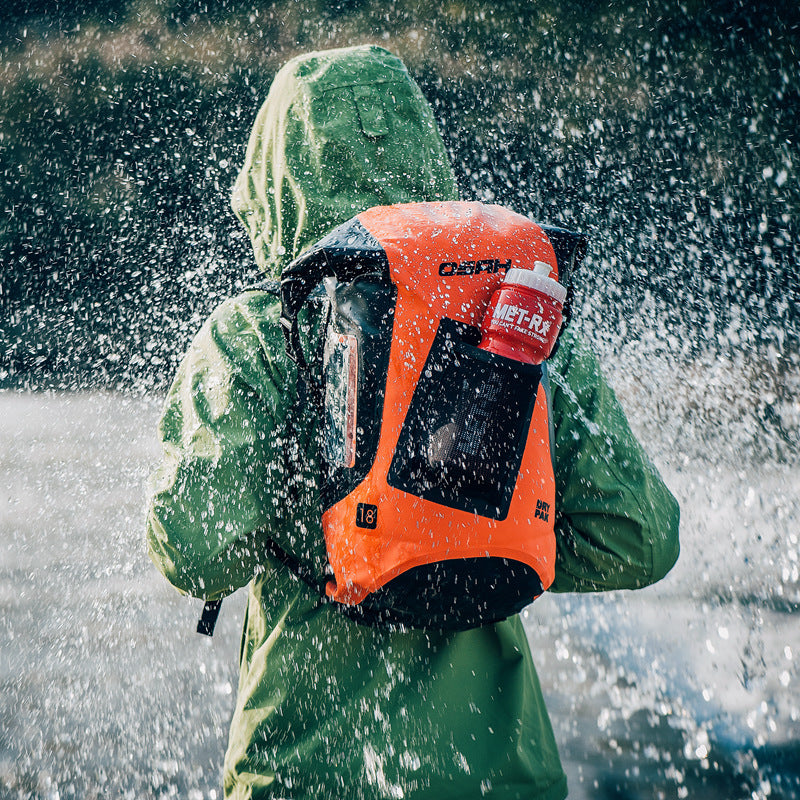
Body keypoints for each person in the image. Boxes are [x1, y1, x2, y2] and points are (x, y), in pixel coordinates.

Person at [146, 45, 680, 800]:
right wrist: (491, 542)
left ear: (273, 187)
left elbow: (197, 552)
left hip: (304, 773)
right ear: (427, 154)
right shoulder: (520, 319)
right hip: (502, 775)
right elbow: (642, 538)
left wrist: (324, 537)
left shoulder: (260, 335)